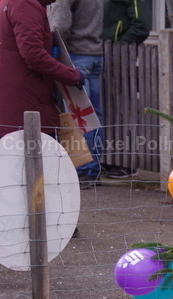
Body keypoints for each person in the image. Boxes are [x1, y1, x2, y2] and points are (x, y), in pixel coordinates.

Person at [0, 0, 83, 140]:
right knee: (34, 159)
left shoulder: (21, 3)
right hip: (21, 109)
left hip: (17, 107)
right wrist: (71, 76)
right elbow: (33, 54)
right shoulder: (25, 4)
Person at [48, 0, 104, 189]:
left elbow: (59, 24)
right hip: (94, 53)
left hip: (75, 55)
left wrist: (51, 48)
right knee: (92, 116)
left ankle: (82, 170)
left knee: (78, 117)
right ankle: (92, 169)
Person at [99, 0, 148, 181]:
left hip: (120, 52)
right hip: (102, 50)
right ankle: (109, 158)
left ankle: (126, 163)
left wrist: (121, 43)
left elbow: (142, 24)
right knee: (107, 106)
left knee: (122, 108)